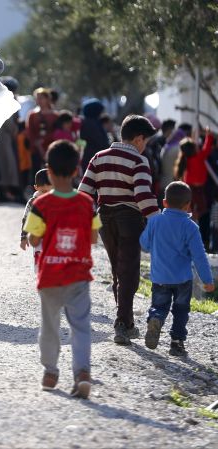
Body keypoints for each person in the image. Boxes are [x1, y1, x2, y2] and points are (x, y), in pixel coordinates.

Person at [23, 140, 99, 399]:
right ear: (77, 170)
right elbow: (93, 238)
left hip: (50, 276)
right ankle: (82, 373)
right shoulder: (87, 202)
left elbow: (33, 239)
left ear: (49, 171)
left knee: (50, 326)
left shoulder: (41, 205)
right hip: (78, 275)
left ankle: (51, 372)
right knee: (81, 327)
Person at [79, 115, 159, 345]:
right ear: (138, 138)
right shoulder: (139, 161)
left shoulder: (98, 157)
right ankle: (123, 324)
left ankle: (125, 321)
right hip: (129, 219)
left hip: (105, 218)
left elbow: (85, 192)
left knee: (117, 269)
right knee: (129, 271)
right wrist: (158, 220)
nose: (144, 147)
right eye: (145, 141)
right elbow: (143, 195)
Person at [140, 181, 215, 357]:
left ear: (164, 202)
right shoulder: (191, 227)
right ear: (188, 205)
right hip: (182, 279)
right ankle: (176, 343)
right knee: (181, 310)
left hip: (159, 276)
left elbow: (144, 244)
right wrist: (207, 280)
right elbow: (199, 256)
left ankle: (156, 318)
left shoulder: (155, 221)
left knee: (159, 305)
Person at [175, 129, 214, 234]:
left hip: (189, 189)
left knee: (190, 213)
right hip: (199, 189)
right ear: (193, 149)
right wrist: (208, 136)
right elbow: (206, 149)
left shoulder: (185, 160)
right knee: (203, 212)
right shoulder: (199, 157)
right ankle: (202, 236)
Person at [19, 168, 52, 269]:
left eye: (50, 190)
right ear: (36, 187)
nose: (47, 194)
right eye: (44, 191)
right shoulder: (33, 202)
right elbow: (26, 219)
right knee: (39, 259)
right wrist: (23, 237)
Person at [25, 88, 58, 169]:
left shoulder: (55, 115)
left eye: (41, 98)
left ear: (47, 99)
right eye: (37, 98)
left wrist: (44, 141)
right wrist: (37, 144)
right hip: (35, 149)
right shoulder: (32, 115)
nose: (38, 100)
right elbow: (30, 131)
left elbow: (56, 132)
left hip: (51, 148)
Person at [79, 99, 109, 173]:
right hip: (93, 157)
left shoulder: (91, 122)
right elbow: (101, 141)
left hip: (92, 157)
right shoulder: (91, 124)